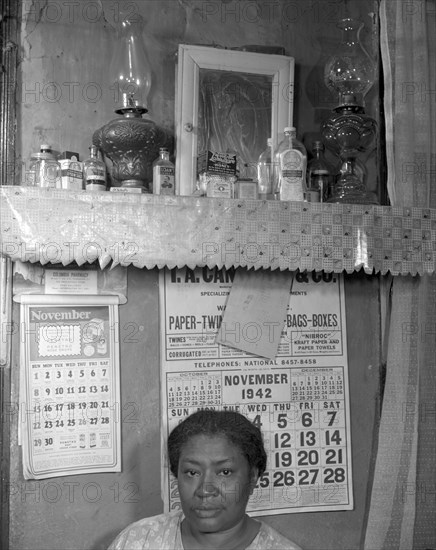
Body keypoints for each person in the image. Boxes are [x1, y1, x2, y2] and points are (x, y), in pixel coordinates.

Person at [108, 409, 302, 550]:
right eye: (192, 473)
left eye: (225, 472)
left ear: (253, 477)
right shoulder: (138, 541)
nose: (205, 489)